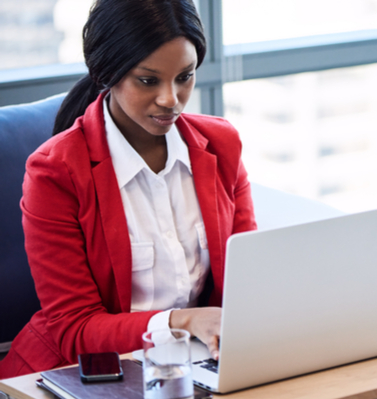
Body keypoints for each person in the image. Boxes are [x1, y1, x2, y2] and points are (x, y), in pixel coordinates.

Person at [0, 0, 256, 378]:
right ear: (108, 73)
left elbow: (245, 281)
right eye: (148, 80)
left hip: (192, 367)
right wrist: (181, 321)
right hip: (83, 372)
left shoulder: (220, 145)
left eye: (184, 76)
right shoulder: (54, 172)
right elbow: (75, 329)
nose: (171, 99)